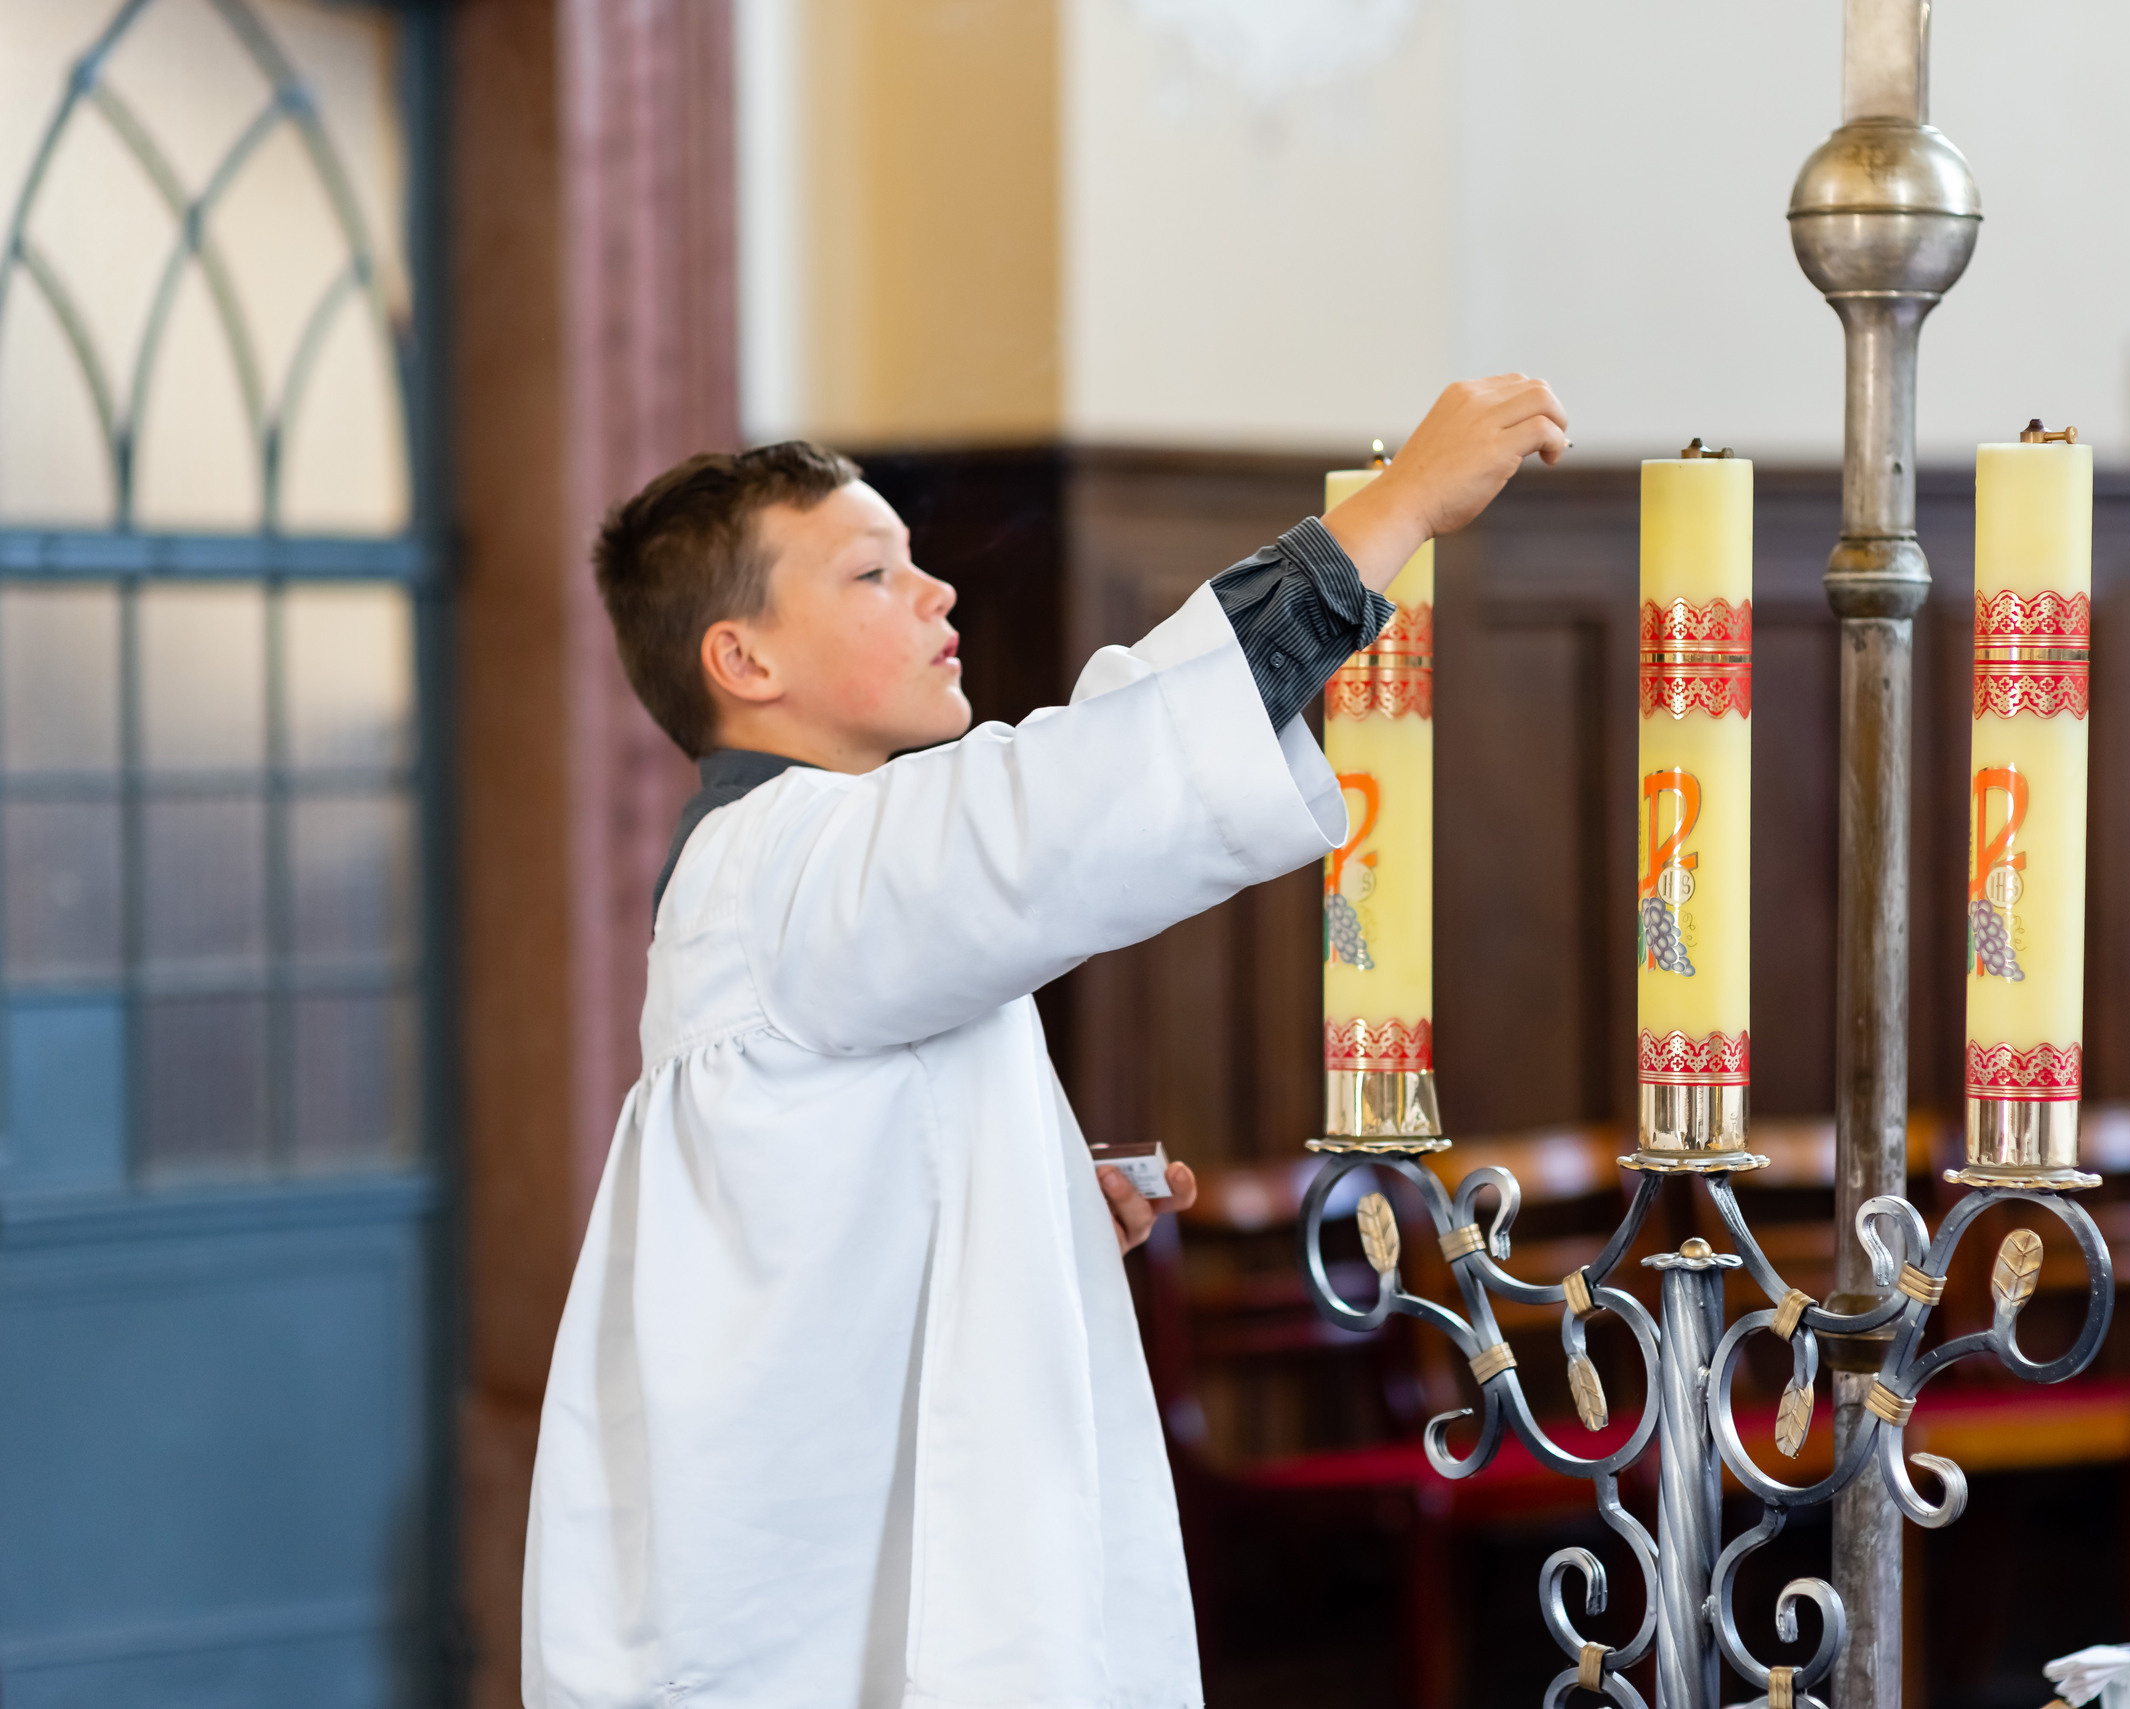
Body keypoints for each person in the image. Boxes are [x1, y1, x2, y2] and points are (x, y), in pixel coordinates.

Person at [523, 376, 1571, 1709]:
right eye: (872, 573)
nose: (937, 595)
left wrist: (1021, 1207)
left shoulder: (807, 868)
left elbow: (812, 1215)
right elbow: (1076, 796)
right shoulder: (793, 862)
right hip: (814, 1620)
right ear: (746, 661)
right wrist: (1400, 505)